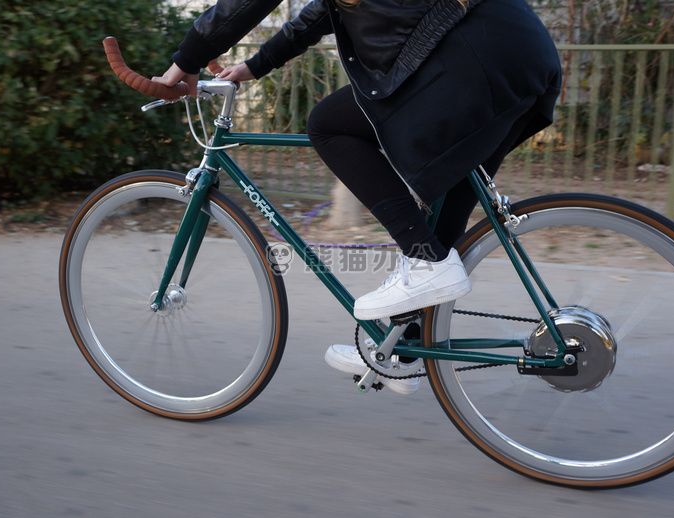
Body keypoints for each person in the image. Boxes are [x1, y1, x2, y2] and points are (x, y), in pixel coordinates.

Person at [154, 0, 562, 394]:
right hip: (522, 51)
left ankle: (424, 262)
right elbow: (320, 13)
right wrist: (253, 66)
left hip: (472, 55)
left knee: (328, 125)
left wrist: (185, 62)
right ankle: (403, 350)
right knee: (446, 196)